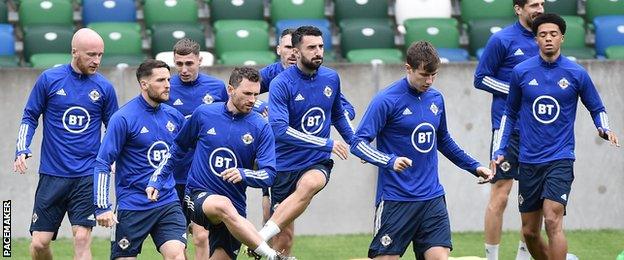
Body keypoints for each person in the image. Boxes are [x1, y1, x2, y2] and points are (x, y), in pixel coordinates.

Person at [350, 41, 494, 260]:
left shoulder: (436, 99)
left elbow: (443, 140)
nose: (429, 81)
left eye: (433, 75)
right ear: (408, 68)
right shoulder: (386, 100)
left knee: (438, 258)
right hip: (396, 198)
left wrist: (474, 166)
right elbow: (358, 143)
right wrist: (389, 161)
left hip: (431, 198)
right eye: (423, 74)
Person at [492, 13, 619, 260]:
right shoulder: (521, 72)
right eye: (542, 35)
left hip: (560, 157)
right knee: (529, 232)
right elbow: (509, 113)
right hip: (528, 160)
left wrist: (604, 128)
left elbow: (597, 107)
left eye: (553, 34)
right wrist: (500, 149)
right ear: (536, 39)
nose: (548, 38)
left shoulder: (576, 73)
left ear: (561, 37)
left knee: (552, 218)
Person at [146, 67, 289, 260]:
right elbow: (177, 149)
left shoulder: (261, 126)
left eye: (256, 94)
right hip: (198, 196)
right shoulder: (204, 114)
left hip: (235, 206)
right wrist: (157, 179)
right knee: (222, 204)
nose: (252, 99)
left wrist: (244, 174)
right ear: (230, 90)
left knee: (227, 211)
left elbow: (269, 174)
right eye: (247, 93)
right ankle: (272, 256)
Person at [13, 28, 118, 260]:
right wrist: (22, 148)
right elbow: (30, 115)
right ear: (74, 52)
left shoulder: (104, 88)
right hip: (53, 174)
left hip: (86, 175)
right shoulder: (50, 79)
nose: (97, 60)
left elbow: (114, 129)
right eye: (91, 54)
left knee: (81, 239)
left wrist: (112, 158)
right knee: (40, 243)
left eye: (100, 55)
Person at [258, 26, 354, 256]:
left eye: (321, 46)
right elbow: (278, 128)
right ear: (291, 51)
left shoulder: (331, 77)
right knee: (284, 235)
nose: (318, 51)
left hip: (315, 160)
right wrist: (260, 109)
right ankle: (266, 248)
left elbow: (342, 112)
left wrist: (357, 143)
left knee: (311, 184)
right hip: (282, 162)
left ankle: (258, 238)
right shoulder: (277, 80)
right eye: (312, 47)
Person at [93, 59, 187, 260]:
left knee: (177, 255)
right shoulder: (123, 118)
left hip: (167, 201)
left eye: (169, 79)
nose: (168, 85)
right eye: (160, 80)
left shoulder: (174, 116)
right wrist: (102, 206)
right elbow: (103, 162)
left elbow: (192, 148)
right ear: (144, 84)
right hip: (132, 204)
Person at [473, 1, 544, 259]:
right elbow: (480, 77)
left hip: (538, 133)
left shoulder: (545, 39)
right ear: (518, 8)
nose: (539, 8)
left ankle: (523, 257)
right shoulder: (502, 39)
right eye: (534, 4)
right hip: (506, 128)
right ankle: (492, 257)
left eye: (542, 3)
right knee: (501, 194)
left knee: (533, 199)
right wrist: (516, 90)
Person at [166, 38, 228, 260]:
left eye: (189, 63)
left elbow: (228, 118)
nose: (184, 69)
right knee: (176, 239)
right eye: (179, 64)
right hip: (173, 174)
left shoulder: (216, 88)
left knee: (201, 235)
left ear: (199, 60)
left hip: (202, 174)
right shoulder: (166, 87)